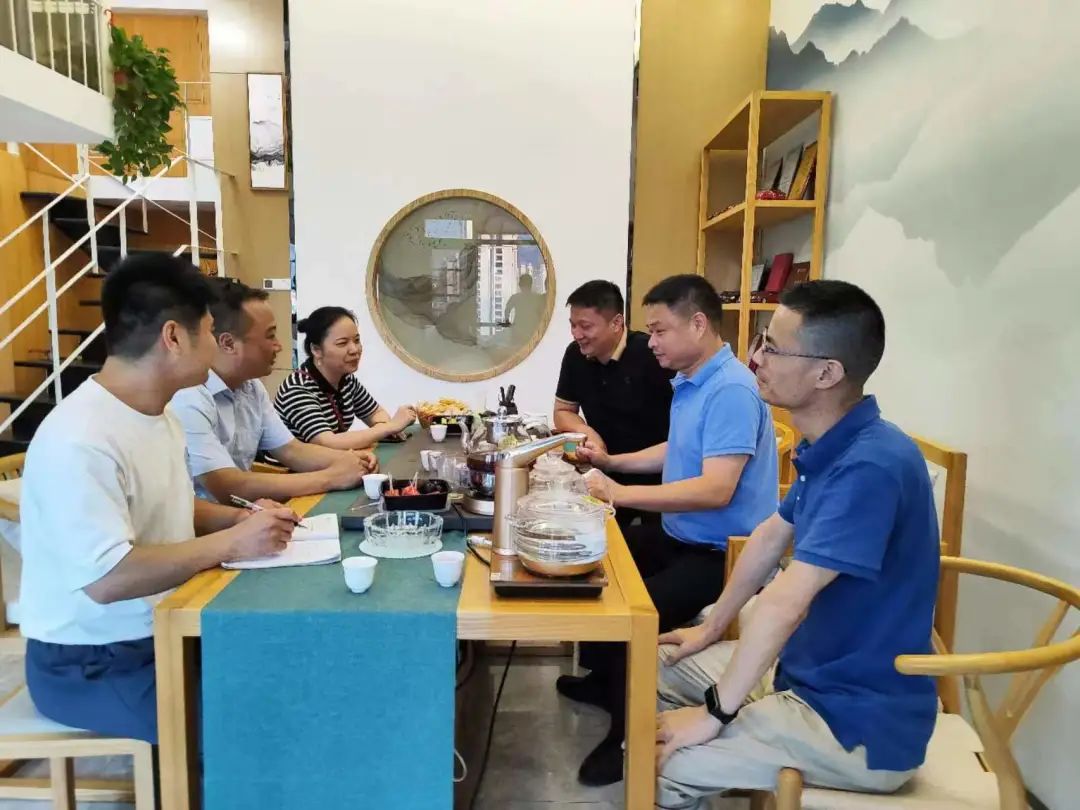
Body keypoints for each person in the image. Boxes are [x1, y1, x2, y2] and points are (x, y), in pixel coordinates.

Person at [654, 280, 939, 808]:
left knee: (661, 763)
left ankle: (692, 769)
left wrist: (715, 713)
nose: (756, 358)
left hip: (855, 723)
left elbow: (785, 603)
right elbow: (768, 538)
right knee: (659, 663)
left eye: (772, 348)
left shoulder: (870, 466)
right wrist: (710, 628)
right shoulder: (832, 444)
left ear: (826, 373)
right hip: (804, 676)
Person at [18, 255, 299, 742]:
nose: (214, 345)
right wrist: (232, 543)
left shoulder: (159, 413)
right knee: (256, 730)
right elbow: (107, 578)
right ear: (173, 337)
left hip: (167, 628)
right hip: (93, 660)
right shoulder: (79, 437)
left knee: (298, 670)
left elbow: (168, 506)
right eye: (209, 332)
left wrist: (238, 520)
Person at [561, 274, 779, 786]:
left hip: (722, 555)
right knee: (597, 555)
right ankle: (603, 680)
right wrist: (613, 462)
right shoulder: (692, 381)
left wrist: (619, 493)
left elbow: (715, 489)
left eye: (659, 331)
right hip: (681, 536)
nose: (651, 342)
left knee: (632, 613)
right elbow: (675, 450)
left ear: (698, 324)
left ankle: (626, 741)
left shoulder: (730, 390)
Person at [170, 278, 379, 504]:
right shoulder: (189, 396)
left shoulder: (251, 387)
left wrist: (348, 460)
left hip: (245, 512)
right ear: (228, 344)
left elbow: (291, 450)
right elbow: (228, 485)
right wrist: (331, 477)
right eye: (270, 336)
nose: (279, 346)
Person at [552, 280, 674, 529]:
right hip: (602, 474)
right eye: (573, 325)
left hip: (657, 482)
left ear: (617, 323)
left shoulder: (653, 355)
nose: (577, 334)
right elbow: (563, 411)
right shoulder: (575, 355)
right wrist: (589, 434)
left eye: (585, 326)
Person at [274, 307, 417, 449]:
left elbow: (375, 413)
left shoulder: (347, 380)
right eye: (342, 343)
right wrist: (389, 427)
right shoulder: (297, 388)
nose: (354, 350)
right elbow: (327, 442)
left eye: (356, 340)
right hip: (294, 465)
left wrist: (384, 427)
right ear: (316, 350)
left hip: (332, 459)